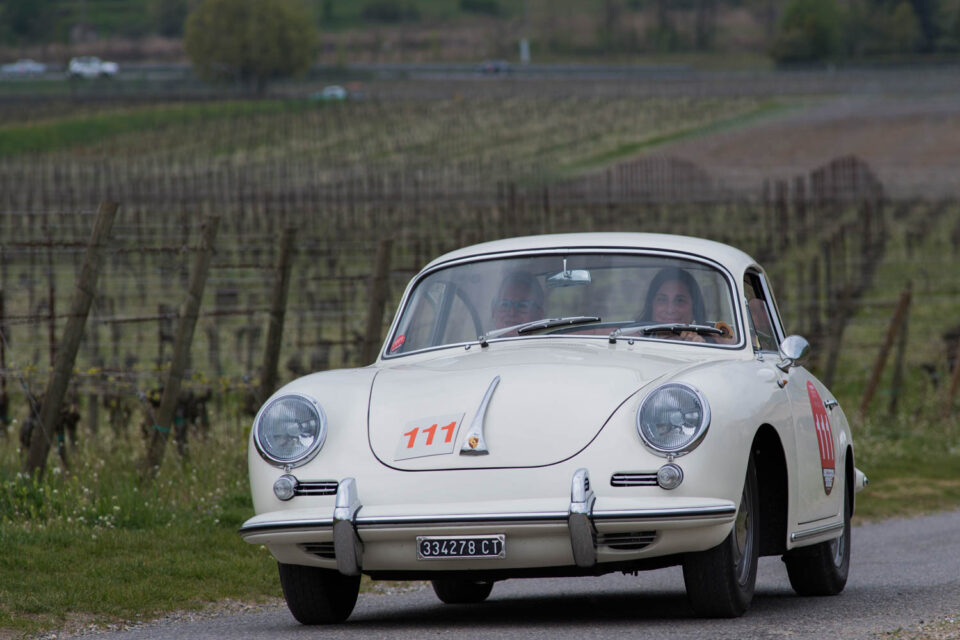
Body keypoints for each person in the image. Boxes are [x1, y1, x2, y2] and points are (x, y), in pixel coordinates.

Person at [638, 267, 733, 344]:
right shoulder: (632, 340)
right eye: (662, 300)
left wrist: (701, 348)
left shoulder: (717, 342)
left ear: (694, 307)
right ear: (652, 305)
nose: (670, 309)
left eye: (680, 301)